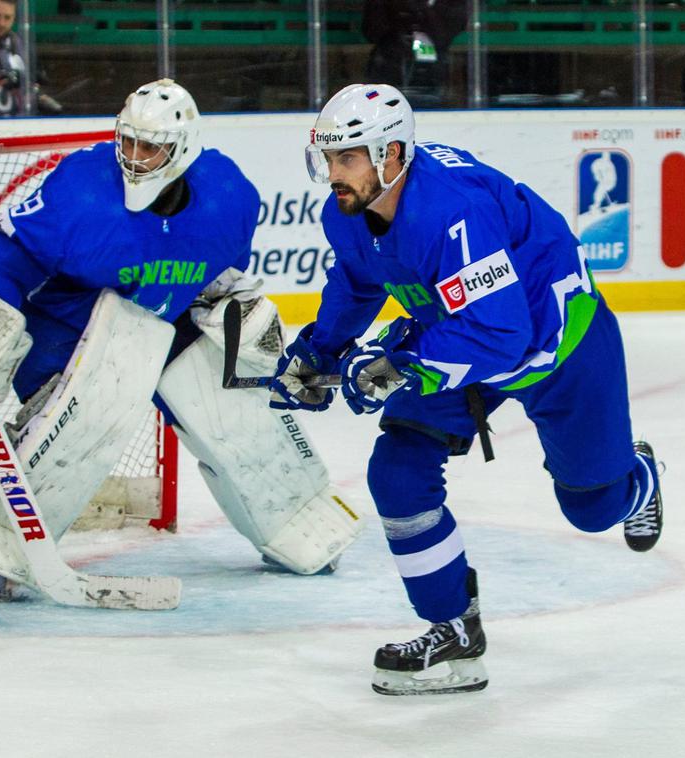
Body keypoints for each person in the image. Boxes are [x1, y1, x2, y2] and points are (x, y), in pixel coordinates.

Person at [0, 79, 363, 599]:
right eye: (129, 141)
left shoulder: (229, 196)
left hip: (166, 313)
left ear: (183, 150)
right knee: (91, 412)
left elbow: (220, 270)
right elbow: (2, 247)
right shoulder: (80, 192)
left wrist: (236, 306)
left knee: (232, 405)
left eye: (151, 146)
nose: (135, 158)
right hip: (68, 320)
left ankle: (293, 516)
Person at [271, 83, 663, 695]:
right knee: (398, 470)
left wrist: (400, 366)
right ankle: (453, 631)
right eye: (328, 158)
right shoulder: (346, 211)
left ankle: (636, 480)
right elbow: (358, 280)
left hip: (557, 348)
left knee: (593, 509)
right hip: (457, 333)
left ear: (392, 155)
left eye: (346, 158)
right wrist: (320, 351)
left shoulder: (449, 212)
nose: (332, 174)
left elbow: (505, 336)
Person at [361, 0, 466, 107]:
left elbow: (444, 35)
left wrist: (422, 9)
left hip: (432, 78)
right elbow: (372, 32)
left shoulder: (450, 4)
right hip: (388, 72)